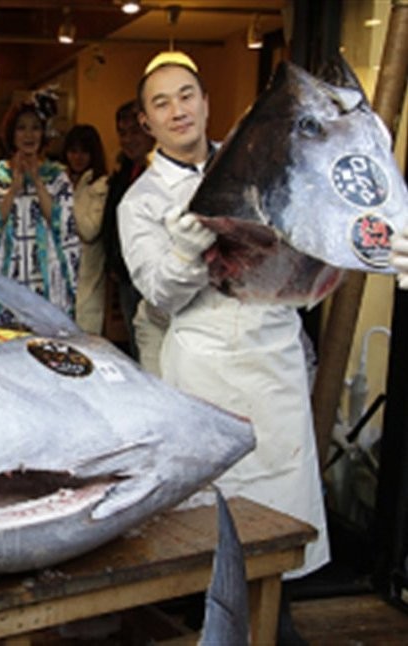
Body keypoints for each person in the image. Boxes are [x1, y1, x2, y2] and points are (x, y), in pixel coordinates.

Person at [119, 53, 329, 589]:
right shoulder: (140, 202)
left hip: (273, 351)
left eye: (187, 95)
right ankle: (212, 611)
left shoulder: (259, 166)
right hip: (204, 363)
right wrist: (189, 252)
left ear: (207, 102)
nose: (178, 111)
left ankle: (276, 612)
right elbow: (160, 294)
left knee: (285, 487)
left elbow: (303, 240)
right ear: (146, 122)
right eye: (161, 103)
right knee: (211, 506)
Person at [0, 89, 79, 325]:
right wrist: (14, 187)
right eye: (21, 128)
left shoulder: (57, 176)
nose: (29, 135)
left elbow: (62, 224)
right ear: (11, 133)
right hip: (7, 276)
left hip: (45, 278)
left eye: (35, 127)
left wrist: (37, 182)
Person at [102, 100, 155, 358]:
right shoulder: (123, 171)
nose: (128, 139)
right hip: (126, 275)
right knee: (137, 345)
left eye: (135, 131)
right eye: (122, 133)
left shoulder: (159, 171)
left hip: (155, 277)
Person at [60, 124, 108, 335]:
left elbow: (89, 230)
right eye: (73, 151)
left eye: (84, 151)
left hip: (88, 277)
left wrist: (71, 195)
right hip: (62, 273)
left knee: (85, 339)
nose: (77, 157)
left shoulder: (100, 185)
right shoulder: (61, 180)